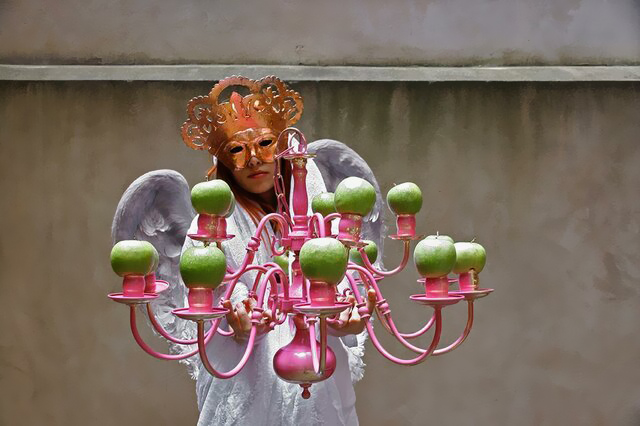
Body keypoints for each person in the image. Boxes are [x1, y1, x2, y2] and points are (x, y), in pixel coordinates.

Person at [177, 76, 378, 425]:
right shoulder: (209, 228)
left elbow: (342, 281)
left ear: (284, 149)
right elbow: (214, 290)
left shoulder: (326, 220)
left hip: (318, 377)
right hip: (248, 384)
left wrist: (345, 314)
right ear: (224, 164)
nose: (255, 159)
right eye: (238, 150)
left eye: (265, 143)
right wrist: (238, 317)